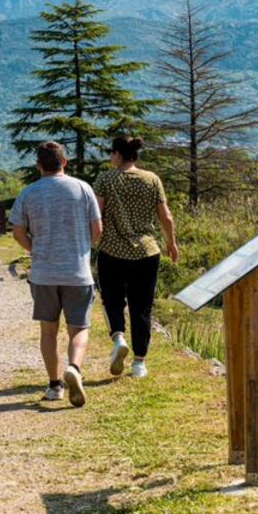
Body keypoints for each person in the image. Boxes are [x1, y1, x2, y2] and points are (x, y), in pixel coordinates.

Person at [11, 142, 102, 407]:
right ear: (65, 162)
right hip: (77, 272)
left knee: (48, 331)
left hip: (44, 273)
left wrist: (35, 249)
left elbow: (18, 232)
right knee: (79, 328)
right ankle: (74, 367)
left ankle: (54, 385)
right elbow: (97, 229)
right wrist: (83, 249)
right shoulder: (83, 188)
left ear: (38, 165)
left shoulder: (29, 193)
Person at [94, 136, 180, 379]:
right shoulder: (152, 179)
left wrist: (92, 242)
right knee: (142, 307)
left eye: (111, 153)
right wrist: (171, 243)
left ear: (118, 155)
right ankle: (139, 362)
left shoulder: (105, 179)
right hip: (147, 252)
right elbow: (166, 217)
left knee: (112, 300)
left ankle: (119, 338)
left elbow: (96, 214)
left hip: (112, 251)